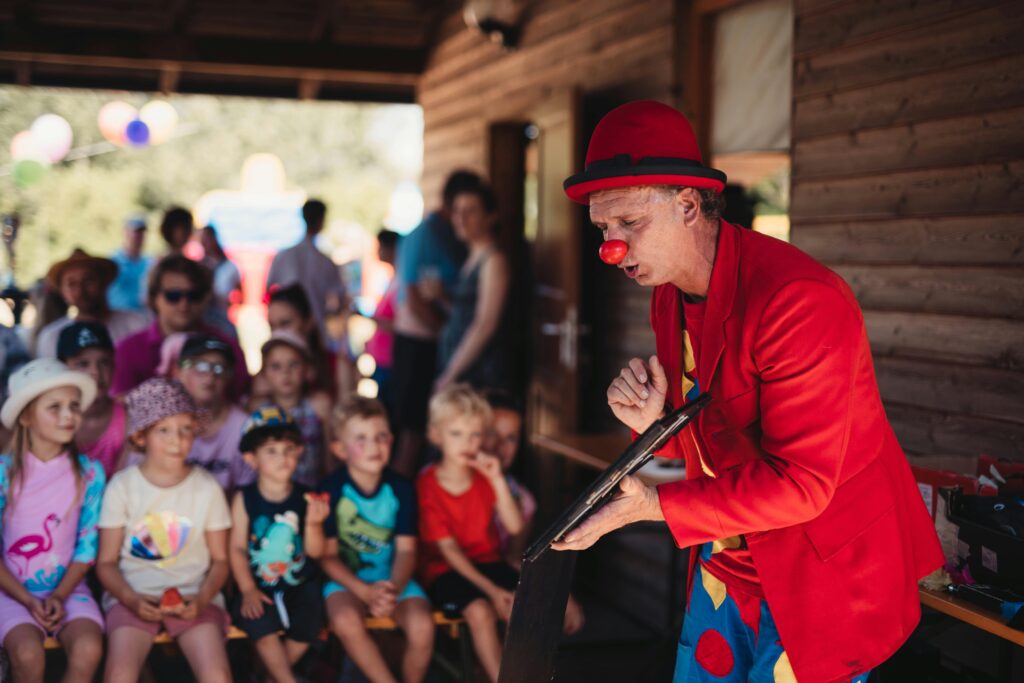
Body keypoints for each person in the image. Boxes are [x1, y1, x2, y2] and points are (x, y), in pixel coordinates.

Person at [552, 101, 943, 682]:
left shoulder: (798, 301)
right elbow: (701, 449)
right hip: (729, 556)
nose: (613, 247)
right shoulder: (668, 292)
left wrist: (655, 506)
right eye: (603, 229)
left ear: (687, 204)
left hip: (820, 571)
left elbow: (803, 484)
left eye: (629, 223)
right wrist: (652, 423)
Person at [97, 378, 232, 683]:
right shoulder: (122, 487)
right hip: (131, 596)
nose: (177, 440)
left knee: (218, 676)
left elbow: (221, 560)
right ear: (141, 437)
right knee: (119, 675)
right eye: (164, 430)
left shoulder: (206, 487)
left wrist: (201, 599)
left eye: (186, 429)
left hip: (194, 597)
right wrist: (131, 599)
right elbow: (105, 564)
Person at [0, 359, 106, 683]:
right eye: (54, 407)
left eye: (74, 406)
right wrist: (27, 598)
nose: (68, 415)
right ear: (26, 416)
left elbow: (87, 548)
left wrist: (59, 595)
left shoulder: (89, 473)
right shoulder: (4, 474)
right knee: (27, 654)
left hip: (69, 589)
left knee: (88, 648)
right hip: (9, 590)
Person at [318, 396, 434, 683]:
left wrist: (391, 589)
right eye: (361, 438)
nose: (374, 445)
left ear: (391, 441)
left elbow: (407, 551)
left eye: (381, 436)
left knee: (422, 625)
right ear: (340, 449)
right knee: (345, 620)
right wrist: (365, 592)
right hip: (347, 581)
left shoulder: (401, 488)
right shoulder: (331, 490)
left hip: (393, 578)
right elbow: (327, 557)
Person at [416, 385, 522, 683]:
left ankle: (525, 674)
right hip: (444, 569)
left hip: (486, 560)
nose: (468, 442)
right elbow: (449, 552)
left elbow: (514, 526)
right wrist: (491, 590)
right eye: (457, 434)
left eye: (475, 434)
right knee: (479, 611)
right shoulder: (428, 484)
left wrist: (496, 477)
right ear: (436, 436)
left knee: (526, 602)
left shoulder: (485, 477)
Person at [230, 406, 329, 683]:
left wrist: (313, 525)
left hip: (299, 585)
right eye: (271, 451)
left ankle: (269, 678)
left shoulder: (307, 496)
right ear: (251, 459)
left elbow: (316, 552)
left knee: (311, 621)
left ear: (299, 452)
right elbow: (236, 548)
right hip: (258, 586)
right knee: (259, 622)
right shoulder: (244, 498)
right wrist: (247, 588)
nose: (282, 458)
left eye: (288, 449)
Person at [390, 171, 478, 476]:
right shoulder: (424, 235)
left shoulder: (449, 238)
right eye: (459, 210)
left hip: (435, 344)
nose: (461, 218)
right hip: (418, 343)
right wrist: (447, 332)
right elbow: (413, 298)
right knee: (414, 430)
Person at [111, 254, 249, 400]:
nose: (184, 304)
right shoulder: (128, 351)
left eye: (194, 295)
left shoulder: (229, 347)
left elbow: (241, 401)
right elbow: (121, 411)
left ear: (206, 298)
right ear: (154, 298)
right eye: (173, 295)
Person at [434, 183, 512, 393]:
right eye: (457, 211)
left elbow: (485, 324)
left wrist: (450, 375)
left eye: (470, 210)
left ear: (490, 216)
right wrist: (441, 297)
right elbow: (465, 314)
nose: (461, 218)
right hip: (462, 369)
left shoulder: (493, 260)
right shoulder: (471, 259)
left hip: (480, 374)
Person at [173, 334, 253, 493]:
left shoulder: (244, 427)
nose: (210, 376)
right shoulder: (164, 424)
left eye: (219, 368)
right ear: (179, 371)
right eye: (200, 366)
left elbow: (248, 494)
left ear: (229, 377)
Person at [35, 248, 149, 358]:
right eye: (72, 284)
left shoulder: (136, 324)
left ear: (104, 282)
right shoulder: (52, 338)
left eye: (88, 280)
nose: (81, 290)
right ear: (62, 292)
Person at [259, 330, 330, 488]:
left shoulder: (317, 408)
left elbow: (329, 459)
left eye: (293, 364)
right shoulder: (258, 412)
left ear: (307, 370)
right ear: (264, 374)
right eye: (276, 366)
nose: (285, 372)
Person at [266, 199, 345, 338]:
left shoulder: (283, 256)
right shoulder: (325, 262)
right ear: (321, 221)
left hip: (289, 330)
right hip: (314, 329)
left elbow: (269, 290)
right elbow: (338, 300)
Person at [57, 321, 125, 478]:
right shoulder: (52, 420)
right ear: (62, 368)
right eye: (83, 364)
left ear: (114, 365)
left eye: (104, 362)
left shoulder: (127, 417)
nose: (95, 372)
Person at [481, 390, 536, 565]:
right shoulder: (448, 481)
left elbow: (513, 558)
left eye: (510, 438)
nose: (500, 446)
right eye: (492, 434)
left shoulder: (524, 500)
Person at [263, 282, 339, 400]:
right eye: (272, 326)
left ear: (309, 322)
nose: (278, 332)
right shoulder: (263, 378)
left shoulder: (336, 366)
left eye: (285, 323)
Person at [364, 229, 400, 412]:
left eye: (381, 247)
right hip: (383, 358)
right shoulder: (393, 279)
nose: (378, 251)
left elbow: (400, 325)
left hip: (390, 359)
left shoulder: (401, 282)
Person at [199, 225, 242, 340]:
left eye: (207, 239)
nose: (205, 243)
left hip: (223, 317)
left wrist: (232, 302)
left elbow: (241, 295)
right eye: (202, 240)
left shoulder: (230, 267)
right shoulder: (198, 267)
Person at [108, 215, 151, 313]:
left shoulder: (150, 262)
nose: (139, 236)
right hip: (118, 316)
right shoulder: (113, 263)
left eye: (142, 233)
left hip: (143, 317)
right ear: (125, 232)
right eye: (135, 232)